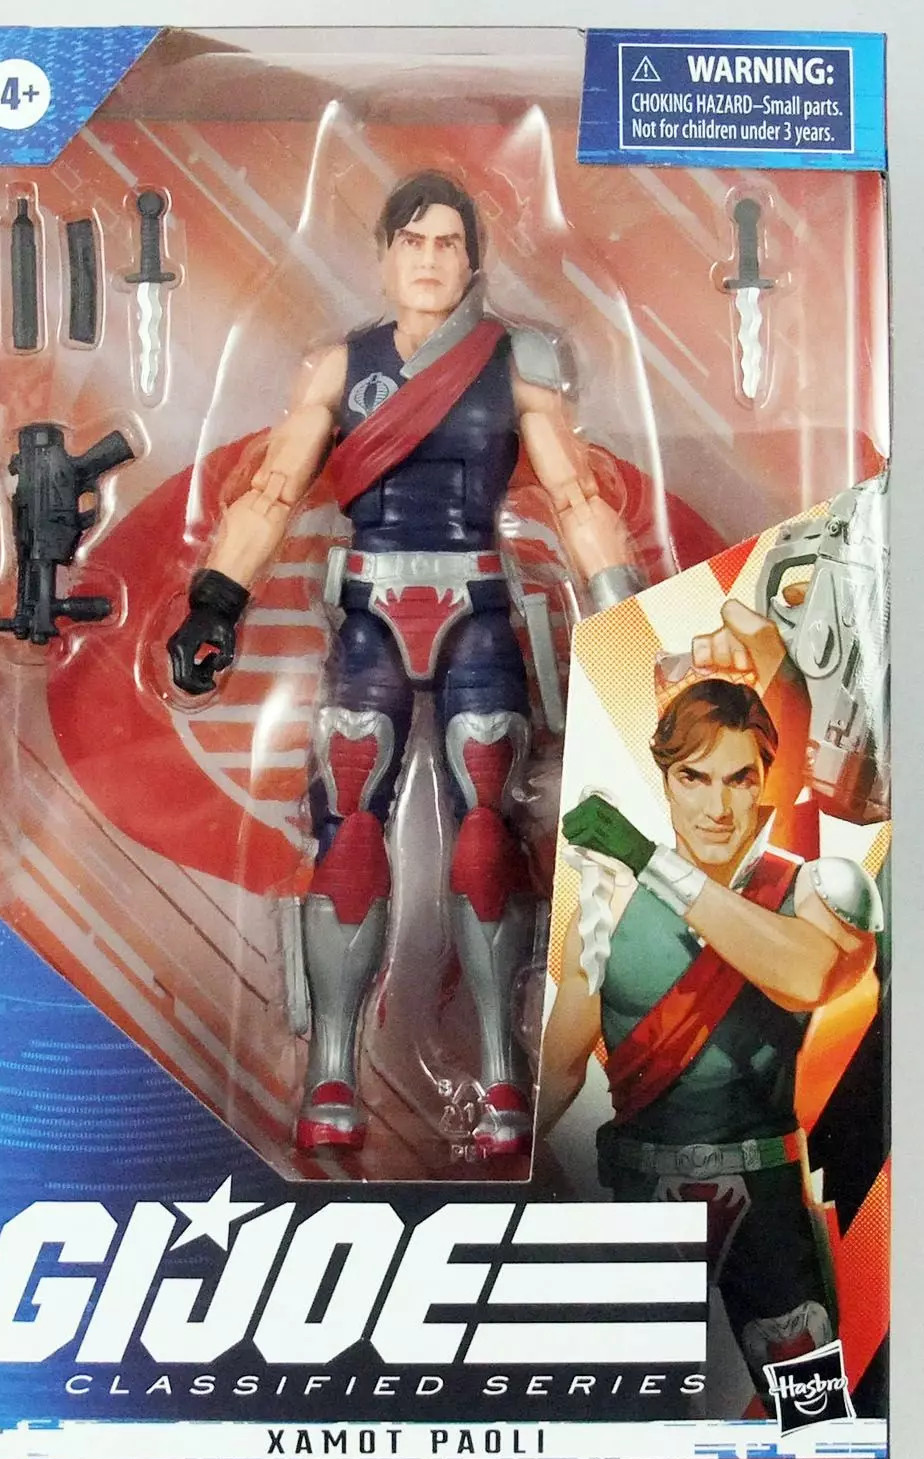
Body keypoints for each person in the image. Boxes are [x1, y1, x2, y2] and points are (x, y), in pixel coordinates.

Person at [167, 170, 643, 1154]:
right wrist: (215, 601)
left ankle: (503, 1078)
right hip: (369, 613)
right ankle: (330, 1069)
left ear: (472, 261)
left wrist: (623, 615)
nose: (429, 260)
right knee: (347, 824)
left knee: (487, 826)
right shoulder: (336, 368)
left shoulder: (516, 361)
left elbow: (575, 496)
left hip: (478, 609)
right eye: (412, 241)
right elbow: (271, 490)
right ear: (384, 256)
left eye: (447, 243)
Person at [542, 602, 883, 1390]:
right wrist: (487, 1178)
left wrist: (652, 861)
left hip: (768, 1197)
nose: (716, 807)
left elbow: (804, 975)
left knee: (808, 1412)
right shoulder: (608, 903)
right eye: (693, 778)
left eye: (738, 779)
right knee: (629, 1412)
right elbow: (559, 1069)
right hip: (642, 1193)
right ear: (665, 778)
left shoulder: (810, 891)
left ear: (764, 781)